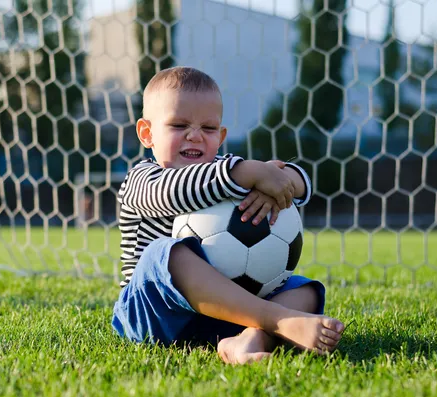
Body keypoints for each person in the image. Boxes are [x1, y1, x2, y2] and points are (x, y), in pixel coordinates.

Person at [112, 66, 345, 364]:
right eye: (179, 125)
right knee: (164, 252)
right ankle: (277, 320)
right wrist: (248, 172)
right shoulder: (142, 180)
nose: (195, 136)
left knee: (306, 290)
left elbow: (300, 184)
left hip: (226, 317)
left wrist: (272, 182)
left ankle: (248, 340)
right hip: (155, 317)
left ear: (221, 136)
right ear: (147, 133)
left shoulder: (229, 176)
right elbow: (179, 189)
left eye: (208, 129)